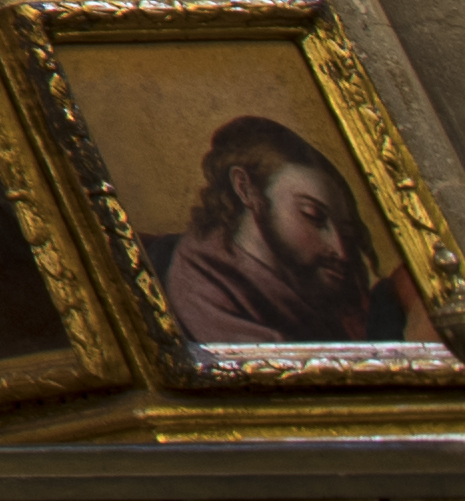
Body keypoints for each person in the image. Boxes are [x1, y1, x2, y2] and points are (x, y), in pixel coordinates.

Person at [149, 115, 414, 351]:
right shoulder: (206, 294)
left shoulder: (318, 283)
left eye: (344, 231)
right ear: (246, 189)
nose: (341, 250)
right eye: (313, 215)